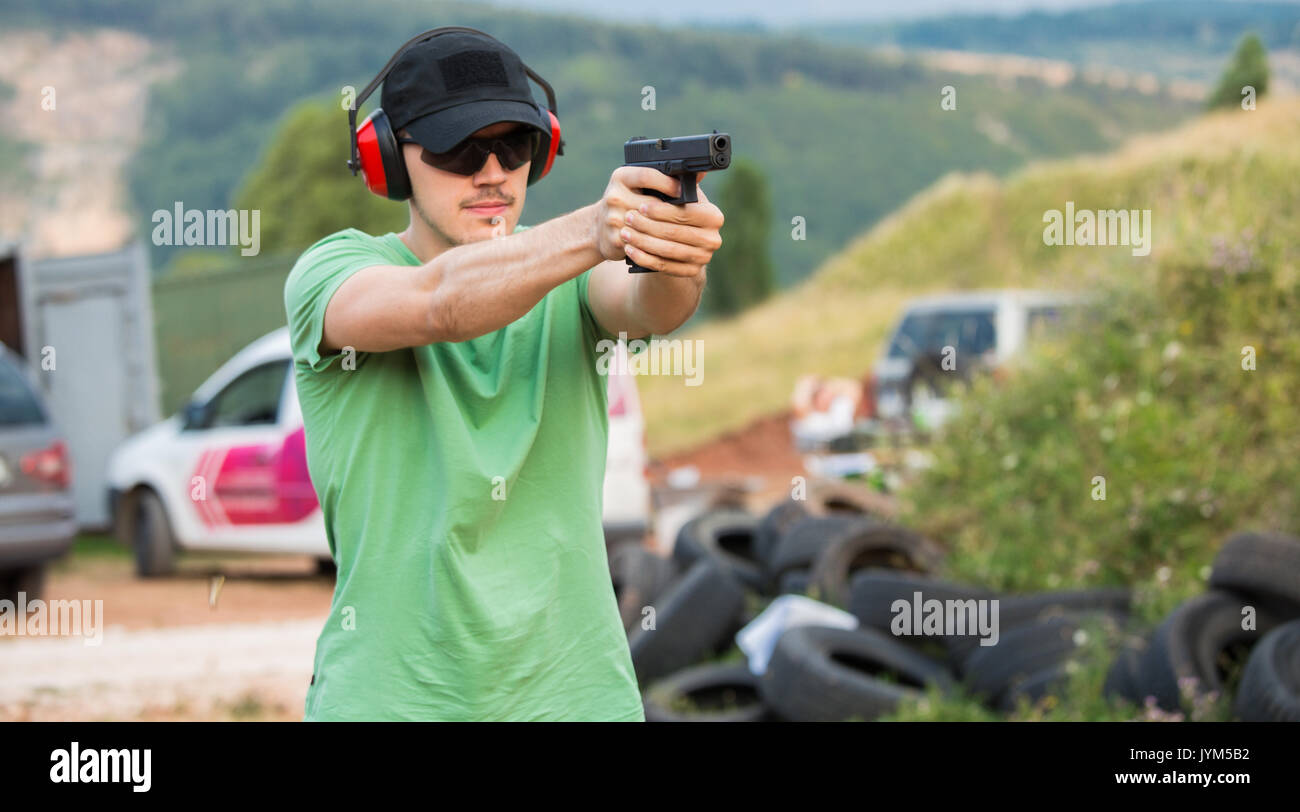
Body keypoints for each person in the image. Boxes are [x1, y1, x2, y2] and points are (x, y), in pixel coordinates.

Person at [283, 29, 723, 720]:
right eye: (459, 149)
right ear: (390, 158)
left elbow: (648, 306)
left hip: (577, 700)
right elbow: (439, 303)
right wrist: (597, 231)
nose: (491, 172)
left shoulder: (570, 277)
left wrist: (672, 251)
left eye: (511, 147)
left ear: (540, 152)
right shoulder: (331, 273)